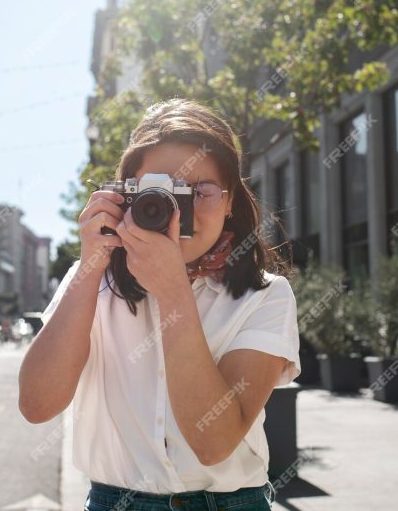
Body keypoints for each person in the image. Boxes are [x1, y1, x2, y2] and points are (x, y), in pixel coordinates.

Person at [19, 99, 300, 510]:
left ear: (228, 203)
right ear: (124, 197)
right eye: (159, 193)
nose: (174, 210)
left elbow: (214, 443)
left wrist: (173, 293)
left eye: (197, 191)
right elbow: (37, 405)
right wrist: (90, 266)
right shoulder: (92, 280)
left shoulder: (266, 295)